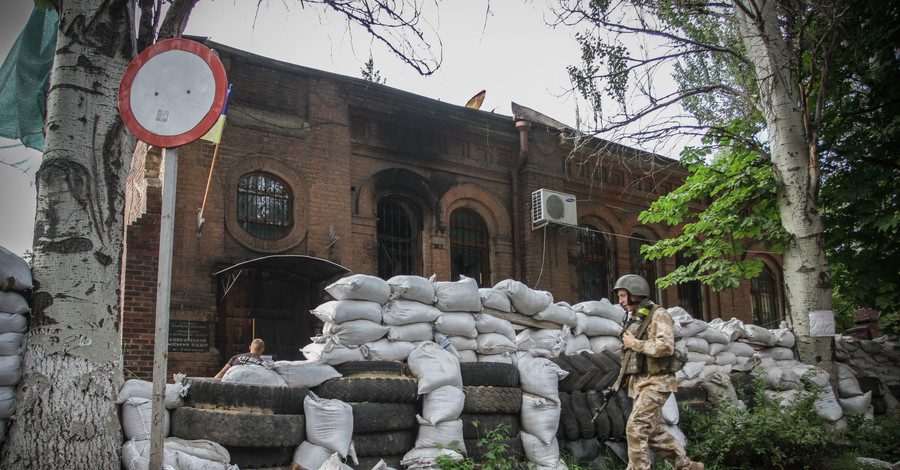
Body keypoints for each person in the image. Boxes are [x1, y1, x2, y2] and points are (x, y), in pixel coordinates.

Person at [614, 274, 704, 470]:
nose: (620, 301)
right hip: (640, 383)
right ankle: (687, 467)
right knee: (655, 434)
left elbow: (665, 346)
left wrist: (634, 343)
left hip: (657, 382)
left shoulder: (658, 314)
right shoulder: (636, 318)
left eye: (622, 295)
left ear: (635, 293)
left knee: (636, 428)